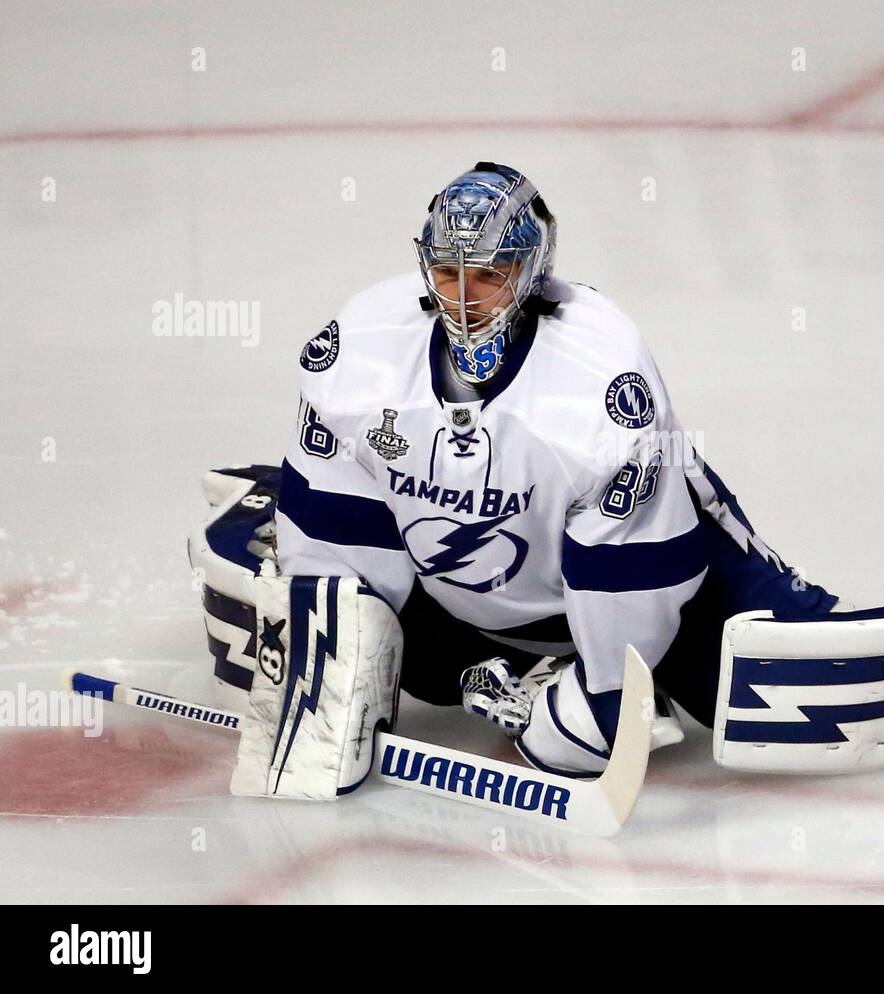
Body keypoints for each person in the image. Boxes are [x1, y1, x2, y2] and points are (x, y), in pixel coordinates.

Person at [199, 162, 840, 780]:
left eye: (488, 274)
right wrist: (332, 670)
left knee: (751, 682)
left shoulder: (598, 384)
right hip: (466, 602)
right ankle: (495, 673)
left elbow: (633, 576)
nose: (463, 297)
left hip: (642, 575)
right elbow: (342, 538)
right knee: (404, 656)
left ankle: (795, 618)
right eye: (447, 272)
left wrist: (608, 697)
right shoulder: (361, 355)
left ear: (531, 272)